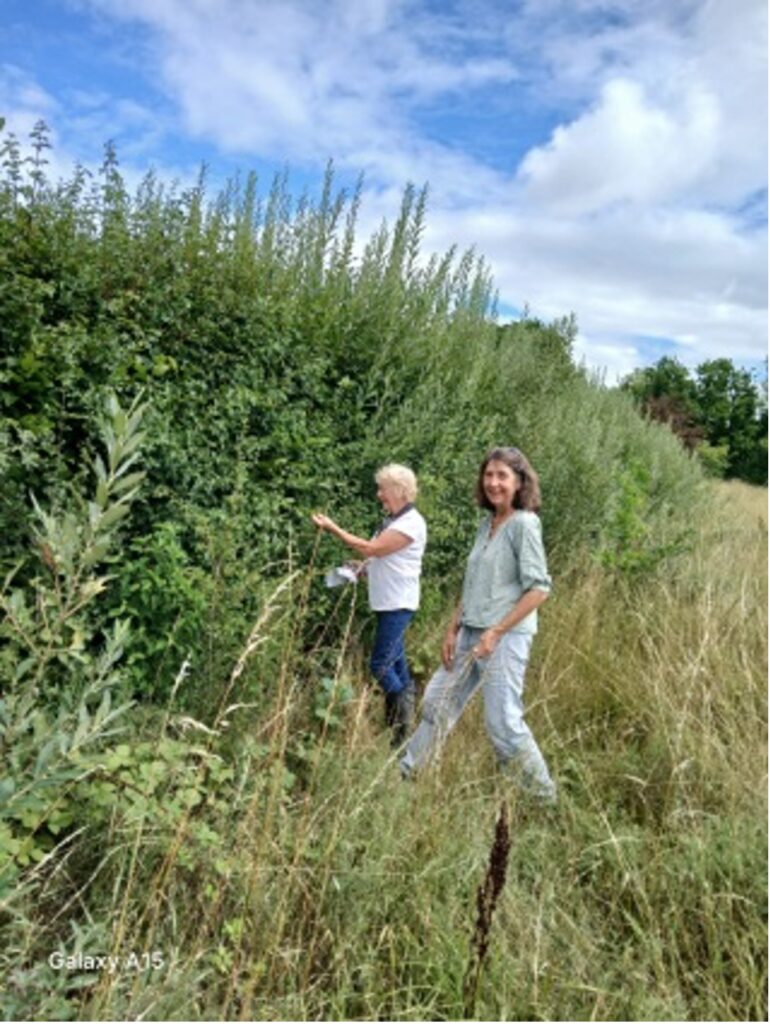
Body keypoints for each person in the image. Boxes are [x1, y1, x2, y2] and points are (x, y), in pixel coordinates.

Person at [399, 446, 556, 801]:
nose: (493, 482)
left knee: (503, 723)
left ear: (519, 482)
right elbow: (473, 583)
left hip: (504, 637)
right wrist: (452, 628)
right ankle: (409, 775)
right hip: (470, 632)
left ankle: (542, 797)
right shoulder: (487, 524)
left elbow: (539, 589)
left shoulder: (524, 524)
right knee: (437, 702)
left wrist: (496, 632)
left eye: (502, 476)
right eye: (489, 474)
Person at [311, 464, 427, 746]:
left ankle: (400, 729)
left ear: (399, 490)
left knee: (380, 664)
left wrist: (333, 528)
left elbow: (371, 548)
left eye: (382, 489)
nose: (379, 495)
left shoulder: (411, 523)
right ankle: (404, 729)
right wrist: (360, 569)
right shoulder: (392, 521)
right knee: (397, 665)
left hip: (398, 604)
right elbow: (380, 558)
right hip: (387, 601)